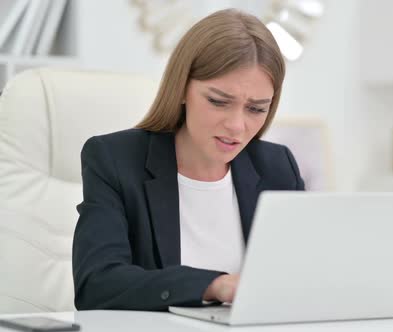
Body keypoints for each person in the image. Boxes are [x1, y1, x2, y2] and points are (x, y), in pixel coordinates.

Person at [72, 8, 305, 311]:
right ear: (181, 88)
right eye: (219, 102)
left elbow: (301, 278)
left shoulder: (277, 166)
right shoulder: (115, 160)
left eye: (256, 109)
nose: (237, 126)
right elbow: (96, 284)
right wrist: (215, 285)